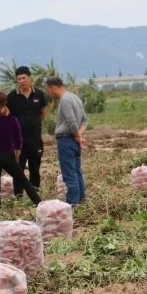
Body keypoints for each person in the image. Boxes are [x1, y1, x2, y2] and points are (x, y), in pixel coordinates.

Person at [0, 91, 42, 206]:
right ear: (5, 102)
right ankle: (39, 203)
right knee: (24, 181)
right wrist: (16, 157)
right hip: (8, 155)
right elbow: (19, 141)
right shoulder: (13, 119)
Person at [6, 66, 47, 197]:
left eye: (24, 78)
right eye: (19, 79)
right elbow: (8, 116)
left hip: (35, 139)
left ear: (30, 78)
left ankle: (35, 195)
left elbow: (43, 113)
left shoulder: (39, 94)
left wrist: (34, 124)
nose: (22, 81)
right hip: (18, 141)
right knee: (18, 168)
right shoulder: (12, 96)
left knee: (35, 168)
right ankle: (18, 196)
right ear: (16, 80)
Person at [45, 77, 86, 206]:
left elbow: (71, 121)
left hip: (66, 139)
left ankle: (72, 204)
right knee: (77, 171)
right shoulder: (75, 98)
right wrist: (79, 135)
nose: (49, 94)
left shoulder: (65, 100)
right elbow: (84, 120)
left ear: (53, 88)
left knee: (69, 173)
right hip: (73, 139)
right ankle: (81, 201)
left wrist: (77, 136)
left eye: (49, 91)